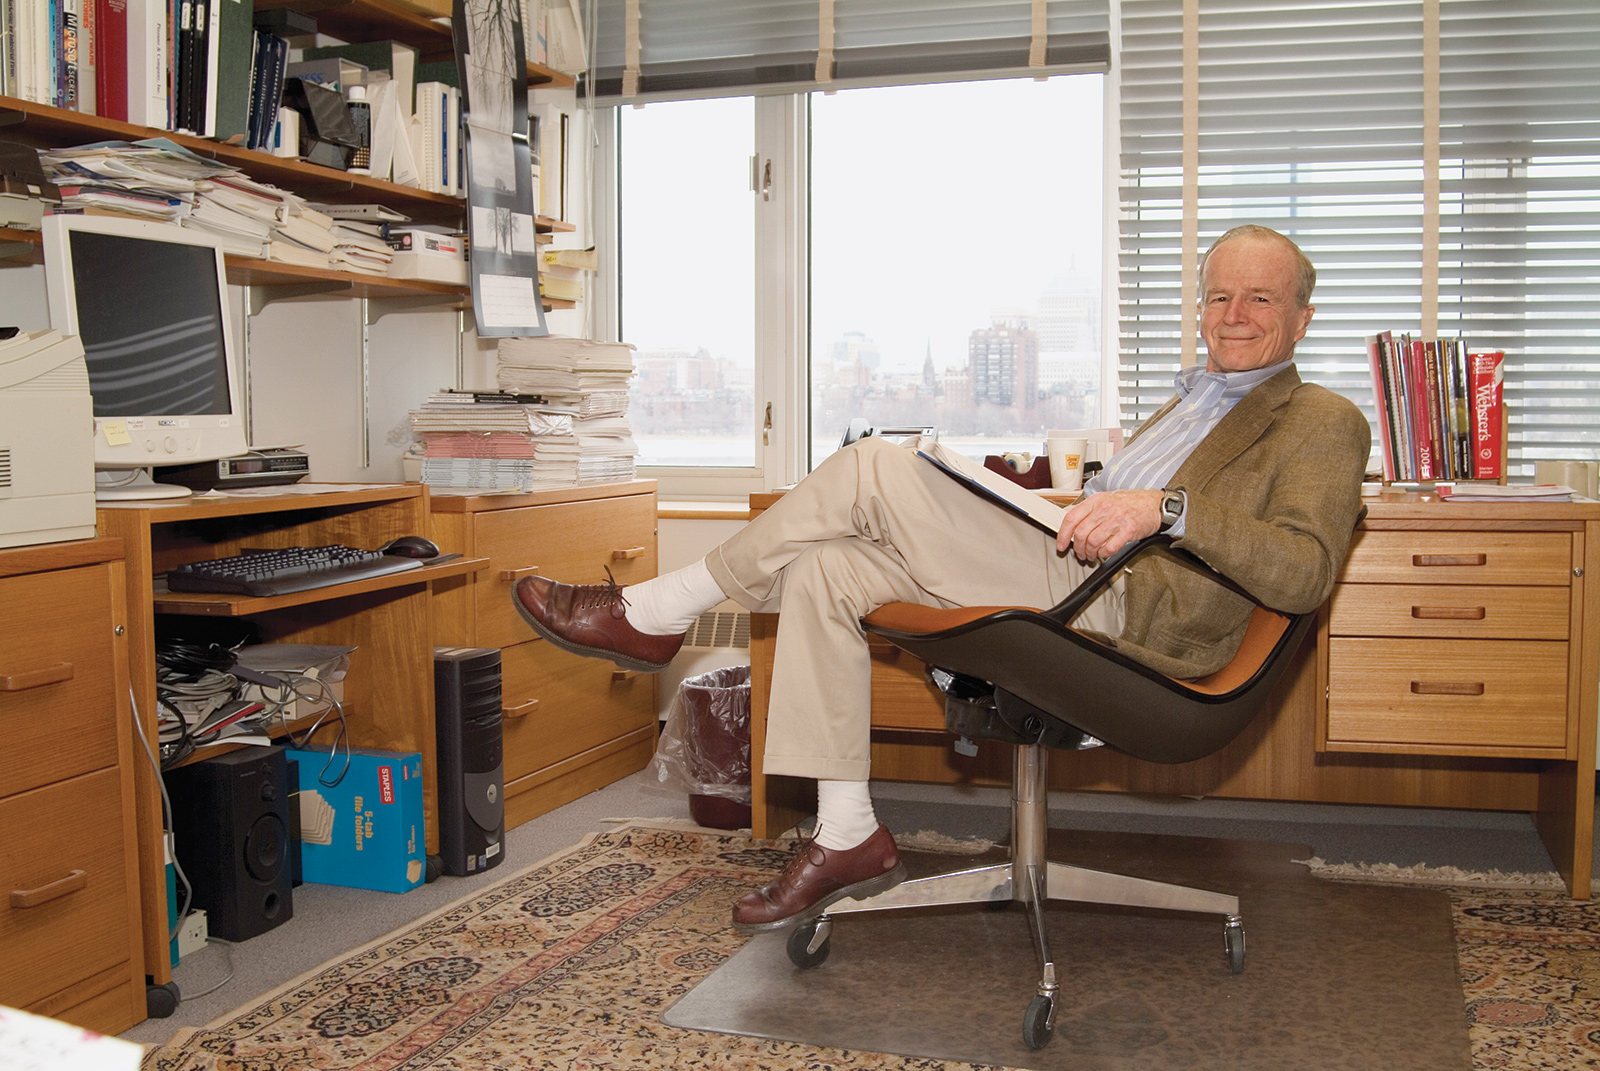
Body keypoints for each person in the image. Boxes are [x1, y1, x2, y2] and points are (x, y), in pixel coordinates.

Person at [511, 224, 1371, 933]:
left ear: (1300, 317)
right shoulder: (1190, 401)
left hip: (1131, 613)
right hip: (1074, 565)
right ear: (1199, 309)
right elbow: (1117, 503)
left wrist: (1168, 509)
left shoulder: (1323, 420)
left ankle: (656, 611)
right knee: (827, 569)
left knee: (870, 466)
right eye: (1220, 295)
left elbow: (1303, 569)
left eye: (1260, 296)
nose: (1236, 313)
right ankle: (847, 830)